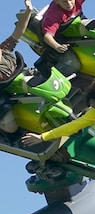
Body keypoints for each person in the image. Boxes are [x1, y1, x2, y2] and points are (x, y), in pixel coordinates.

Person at [0, 0, 34, 142]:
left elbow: (19, 31)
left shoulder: (5, 49)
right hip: (4, 92)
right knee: (10, 126)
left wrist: (28, 12)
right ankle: (11, 135)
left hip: (22, 78)